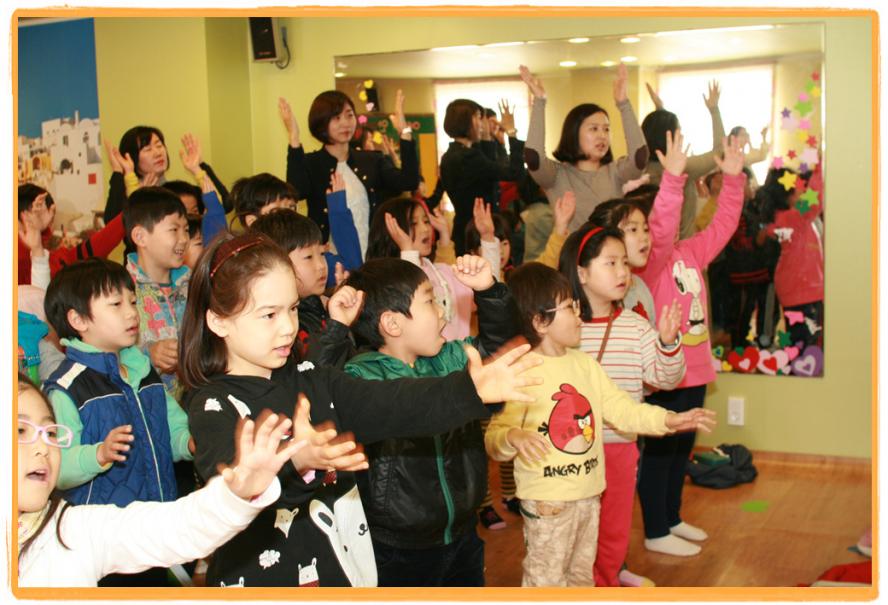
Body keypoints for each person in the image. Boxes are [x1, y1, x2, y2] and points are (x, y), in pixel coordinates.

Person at [179, 231, 542, 587]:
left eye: (292, 309)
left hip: (340, 575)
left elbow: (396, 404)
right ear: (218, 321)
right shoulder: (212, 403)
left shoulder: (313, 380)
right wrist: (296, 462)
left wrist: (470, 390)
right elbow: (228, 483)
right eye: (269, 315)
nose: (288, 327)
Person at [486, 262, 715, 586]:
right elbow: (494, 437)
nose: (579, 315)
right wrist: (513, 435)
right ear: (539, 321)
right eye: (569, 307)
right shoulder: (521, 372)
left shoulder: (585, 364)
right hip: (548, 502)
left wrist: (668, 419)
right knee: (545, 580)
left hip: (590, 495)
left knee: (581, 577)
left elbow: (622, 409)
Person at [16, 373, 304, 587]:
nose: (43, 446)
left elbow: (178, 527)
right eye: (19, 430)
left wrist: (236, 493)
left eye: (50, 433)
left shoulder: (75, 530)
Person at [342, 255, 517, 585]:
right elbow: (407, 405)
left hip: (463, 533)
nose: (442, 312)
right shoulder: (361, 377)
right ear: (393, 324)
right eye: (430, 301)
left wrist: (489, 292)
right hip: (398, 548)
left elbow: (498, 351)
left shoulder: (447, 359)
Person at [635, 131, 746, 556]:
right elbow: (661, 230)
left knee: (683, 449)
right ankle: (655, 530)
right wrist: (672, 180)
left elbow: (723, 225)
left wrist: (732, 181)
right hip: (666, 374)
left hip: (695, 370)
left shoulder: (691, 252)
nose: (652, 233)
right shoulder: (650, 264)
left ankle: (672, 517)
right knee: (661, 453)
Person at [557, 224, 686, 587]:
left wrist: (667, 343)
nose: (622, 272)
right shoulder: (561, 327)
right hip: (568, 451)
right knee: (571, 532)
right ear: (582, 273)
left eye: (624, 263)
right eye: (610, 263)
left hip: (618, 448)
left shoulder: (635, 326)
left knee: (613, 530)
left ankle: (607, 584)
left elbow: (666, 378)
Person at [281, 90, 420, 253]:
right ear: (321, 122)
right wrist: (294, 137)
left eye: (349, 115)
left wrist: (404, 131)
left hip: (372, 258)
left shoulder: (372, 160)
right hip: (328, 261)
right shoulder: (312, 164)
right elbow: (296, 192)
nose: (345, 123)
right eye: (336, 118)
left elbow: (409, 181)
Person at [520, 63, 647, 234]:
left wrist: (624, 104)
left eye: (606, 129)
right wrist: (539, 102)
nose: (602, 136)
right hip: (571, 251)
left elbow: (640, 157)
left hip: (613, 250)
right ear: (573, 133)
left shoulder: (615, 171)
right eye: (594, 129)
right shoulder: (556, 175)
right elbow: (533, 157)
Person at [366, 196, 500, 341]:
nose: (425, 229)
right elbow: (413, 307)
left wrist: (487, 237)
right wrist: (407, 251)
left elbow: (489, 289)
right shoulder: (388, 282)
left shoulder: (442, 271)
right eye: (413, 223)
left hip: (461, 353)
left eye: (426, 221)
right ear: (392, 232)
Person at [249, 207, 359, 368]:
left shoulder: (323, 305)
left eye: (321, 254)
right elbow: (310, 373)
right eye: (308, 257)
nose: (321, 266)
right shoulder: (284, 325)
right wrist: (336, 325)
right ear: (276, 263)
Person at [122, 187, 191, 398]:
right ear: (140, 236)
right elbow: (108, 350)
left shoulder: (191, 285)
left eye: (186, 229)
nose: (184, 238)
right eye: (174, 230)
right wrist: (148, 354)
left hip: (191, 402)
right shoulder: (121, 291)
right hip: (144, 403)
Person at [438, 98, 525, 254]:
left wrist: (486, 136)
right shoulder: (468, 157)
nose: (482, 124)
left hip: (466, 229)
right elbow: (514, 173)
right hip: (477, 233)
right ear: (466, 121)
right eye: (479, 118)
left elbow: (488, 172)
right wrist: (511, 132)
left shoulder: (453, 154)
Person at [641, 80, 725, 240]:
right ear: (670, 136)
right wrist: (714, 110)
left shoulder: (640, 168)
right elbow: (720, 152)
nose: (682, 135)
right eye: (679, 130)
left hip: (651, 248)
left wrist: (660, 110)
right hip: (681, 248)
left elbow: (658, 131)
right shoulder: (682, 168)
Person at [757, 165, 824, 349]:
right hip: (802, 289)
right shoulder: (792, 218)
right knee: (805, 346)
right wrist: (819, 169)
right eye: (799, 185)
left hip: (799, 288)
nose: (803, 188)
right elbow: (814, 201)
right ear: (787, 192)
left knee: (802, 343)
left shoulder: (790, 217)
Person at [17, 184, 125, 287]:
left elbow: (91, 249)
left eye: (50, 219)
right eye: (39, 215)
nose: (49, 224)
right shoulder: (23, 262)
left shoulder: (57, 257)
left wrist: (127, 216)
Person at [588, 197, 656, 325]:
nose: (645, 237)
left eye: (646, 229)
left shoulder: (640, 285)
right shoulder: (600, 290)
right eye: (633, 229)